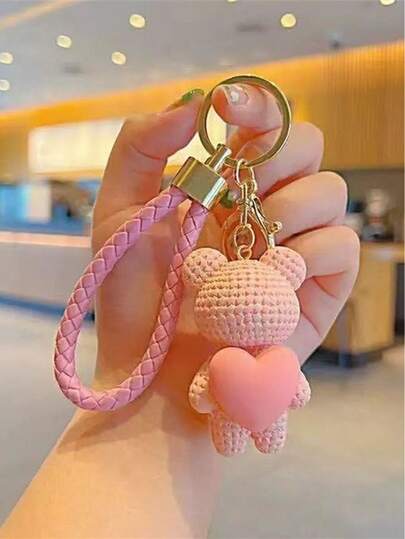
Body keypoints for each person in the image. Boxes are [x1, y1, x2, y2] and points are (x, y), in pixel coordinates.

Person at [0, 84, 359, 539]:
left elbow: (270, 391)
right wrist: (158, 401)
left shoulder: (269, 350)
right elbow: (215, 390)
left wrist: (171, 407)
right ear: (202, 273)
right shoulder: (225, 333)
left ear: (285, 271)